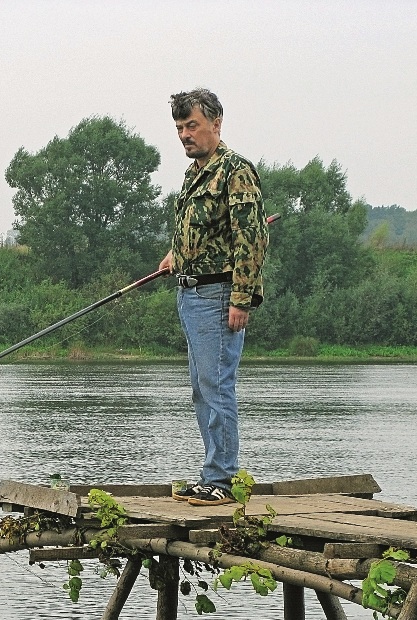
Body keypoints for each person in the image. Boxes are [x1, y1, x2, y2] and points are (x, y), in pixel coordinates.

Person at [159, 88, 268, 506]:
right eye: (180, 127)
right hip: (189, 292)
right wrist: (176, 254)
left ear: (216, 124)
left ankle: (221, 480)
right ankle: (212, 473)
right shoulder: (195, 173)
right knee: (202, 389)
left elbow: (252, 238)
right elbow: (203, 230)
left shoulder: (236, 170)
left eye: (192, 125)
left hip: (219, 295)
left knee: (217, 386)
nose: (185, 134)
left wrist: (241, 299)